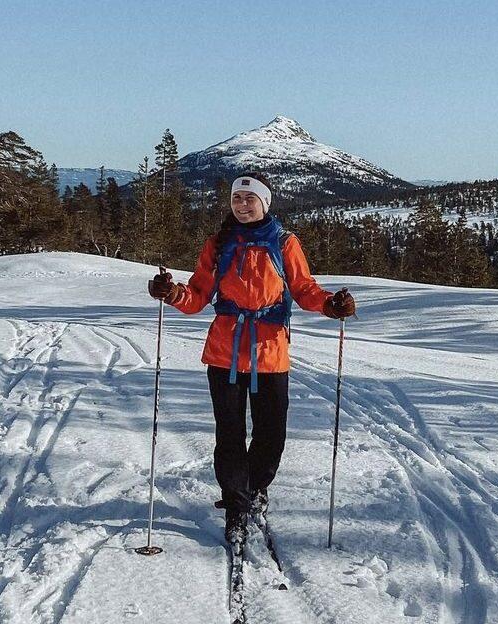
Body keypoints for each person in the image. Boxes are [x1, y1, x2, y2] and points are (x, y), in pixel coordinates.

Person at [147, 172, 356, 545]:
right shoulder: (219, 243)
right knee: (229, 436)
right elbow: (197, 294)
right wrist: (171, 293)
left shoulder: (284, 242)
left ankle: (256, 489)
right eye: (236, 199)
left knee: (271, 436)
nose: (242, 206)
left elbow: (304, 288)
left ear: (265, 202)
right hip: (224, 353)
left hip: (271, 352)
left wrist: (331, 305)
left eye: (250, 199)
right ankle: (236, 507)